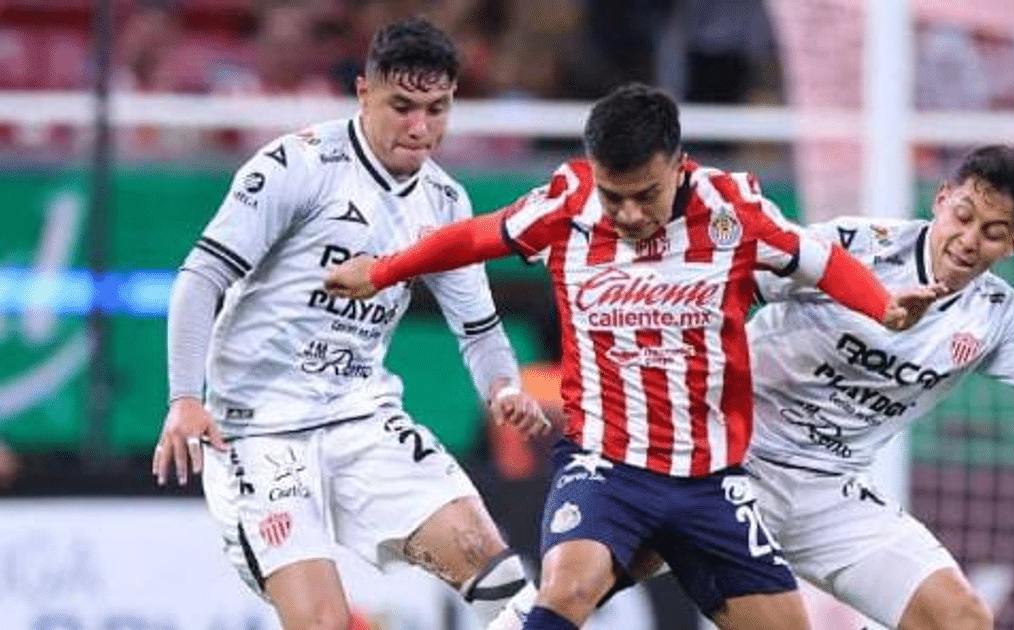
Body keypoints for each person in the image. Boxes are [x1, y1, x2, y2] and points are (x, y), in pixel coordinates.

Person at [323, 83, 945, 630]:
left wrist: (882, 306)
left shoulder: (734, 212)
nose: (625, 213)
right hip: (606, 466)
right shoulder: (567, 203)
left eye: (643, 195)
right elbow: (475, 236)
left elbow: (821, 260)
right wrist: (382, 270)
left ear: (678, 164)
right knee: (567, 587)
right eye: (612, 194)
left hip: (711, 483)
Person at [151, 18, 546, 630]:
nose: (420, 128)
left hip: (361, 416)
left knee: (503, 585)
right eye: (403, 106)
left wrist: (503, 388)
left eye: (437, 109)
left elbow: (479, 330)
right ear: (364, 92)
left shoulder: (445, 203)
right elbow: (202, 277)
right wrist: (184, 397)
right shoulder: (299, 165)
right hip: (258, 432)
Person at [743, 144, 1014, 630]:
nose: (969, 240)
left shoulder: (998, 314)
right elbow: (731, 291)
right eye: (963, 216)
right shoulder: (854, 243)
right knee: (606, 567)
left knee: (964, 620)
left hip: (830, 493)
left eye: (993, 233)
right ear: (941, 200)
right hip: (732, 462)